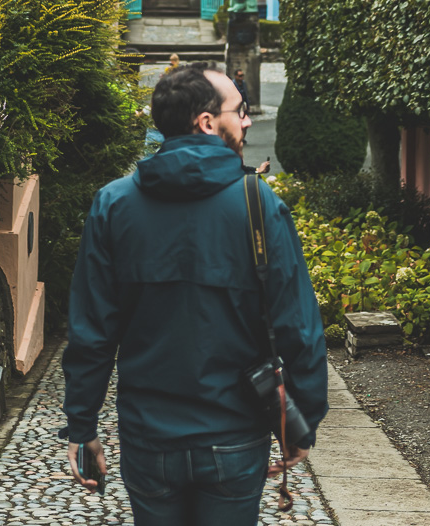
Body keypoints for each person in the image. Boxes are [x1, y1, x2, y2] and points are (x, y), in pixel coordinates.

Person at [62, 62, 327, 525]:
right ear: (206, 122)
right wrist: (302, 423)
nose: (246, 120)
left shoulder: (114, 204)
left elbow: (91, 331)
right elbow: (299, 327)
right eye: (239, 110)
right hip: (234, 435)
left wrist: (83, 427)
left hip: (149, 439)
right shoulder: (257, 202)